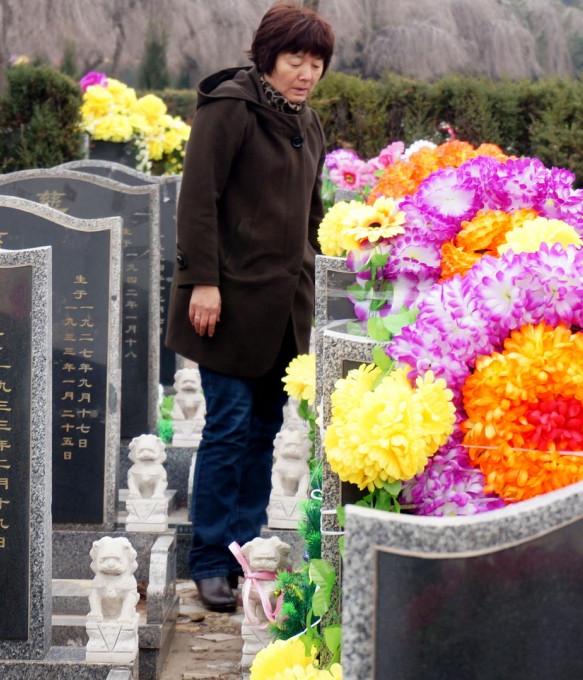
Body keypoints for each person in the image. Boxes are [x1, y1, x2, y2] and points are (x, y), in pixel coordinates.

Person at [164, 1, 334, 613]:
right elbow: (198, 201)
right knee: (229, 426)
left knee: (264, 428)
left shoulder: (307, 123)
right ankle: (209, 560)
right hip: (228, 301)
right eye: (296, 59)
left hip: (285, 309)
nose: (306, 73)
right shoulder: (231, 109)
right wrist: (201, 282)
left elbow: (313, 217)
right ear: (267, 56)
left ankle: (245, 549)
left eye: (316, 63)